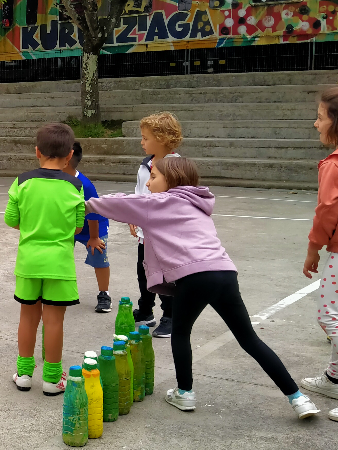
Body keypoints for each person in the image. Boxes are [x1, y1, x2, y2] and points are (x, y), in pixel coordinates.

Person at [87, 156, 319, 419]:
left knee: (181, 332)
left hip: (195, 276)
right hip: (224, 273)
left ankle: (185, 393)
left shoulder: (161, 202)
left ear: (171, 180)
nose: (149, 184)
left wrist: (85, 205)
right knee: (249, 339)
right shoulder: (196, 204)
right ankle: (298, 398)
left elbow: (121, 202)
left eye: (154, 177)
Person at [5, 122, 85, 395]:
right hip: (59, 264)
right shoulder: (76, 185)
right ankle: (52, 378)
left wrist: (31, 228)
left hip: (29, 262)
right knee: (54, 321)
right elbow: (77, 226)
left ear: (37, 152)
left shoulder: (22, 181)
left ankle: (24, 373)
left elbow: (11, 220)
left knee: (28, 318)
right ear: (69, 154)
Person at [301, 87, 338, 421]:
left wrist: (313, 250)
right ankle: (334, 377)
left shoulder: (333, 164)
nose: (316, 124)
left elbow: (327, 210)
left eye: (321, 117)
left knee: (329, 315)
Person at [131, 112, 182, 337]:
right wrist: (133, 217)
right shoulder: (145, 165)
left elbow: (178, 200)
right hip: (146, 233)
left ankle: (171, 317)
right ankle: (145, 311)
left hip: (164, 235)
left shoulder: (175, 165)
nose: (142, 142)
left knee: (163, 276)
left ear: (161, 139)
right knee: (144, 272)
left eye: (145, 138)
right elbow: (139, 193)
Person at [63, 142, 111, 314]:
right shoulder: (56, 180)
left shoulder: (84, 184)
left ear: (66, 160)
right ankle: (62, 291)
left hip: (94, 226)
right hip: (70, 227)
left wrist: (93, 237)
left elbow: (93, 213)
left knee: (99, 254)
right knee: (62, 257)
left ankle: (104, 294)